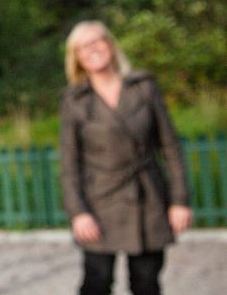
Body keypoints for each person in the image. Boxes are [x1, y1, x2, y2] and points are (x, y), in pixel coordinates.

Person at [59, 20, 193, 295]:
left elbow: (170, 147)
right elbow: (70, 163)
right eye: (84, 47)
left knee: (146, 282)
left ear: (110, 44)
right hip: (100, 200)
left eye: (97, 41)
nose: (92, 49)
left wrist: (179, 201)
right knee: (96, 281)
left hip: (148, 197)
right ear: (77, 57)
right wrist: (79, 212)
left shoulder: (143, 87)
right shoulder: (76, 100)